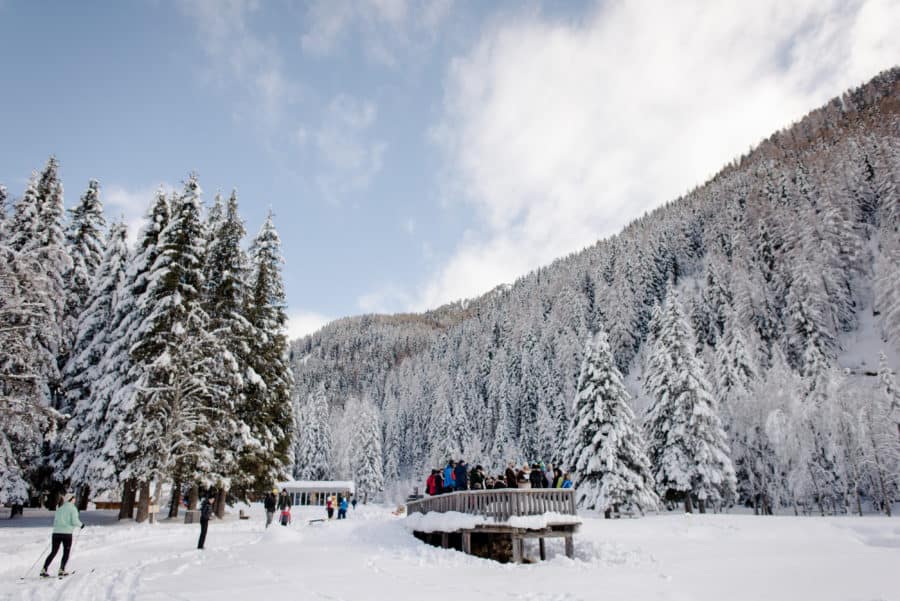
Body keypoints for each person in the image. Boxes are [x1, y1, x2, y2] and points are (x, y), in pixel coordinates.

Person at [40, 493, 83, 577]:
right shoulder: (72, 508)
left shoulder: (60, 508)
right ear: (71, 499)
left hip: (56, 533)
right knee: (66, 552)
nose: (74, 500)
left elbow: (55, 521)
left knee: (53, 551)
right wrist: (81, 525)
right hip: (67, 534)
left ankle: (44, 569)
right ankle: (61, 570)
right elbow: (74, 521)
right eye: (73, 498)